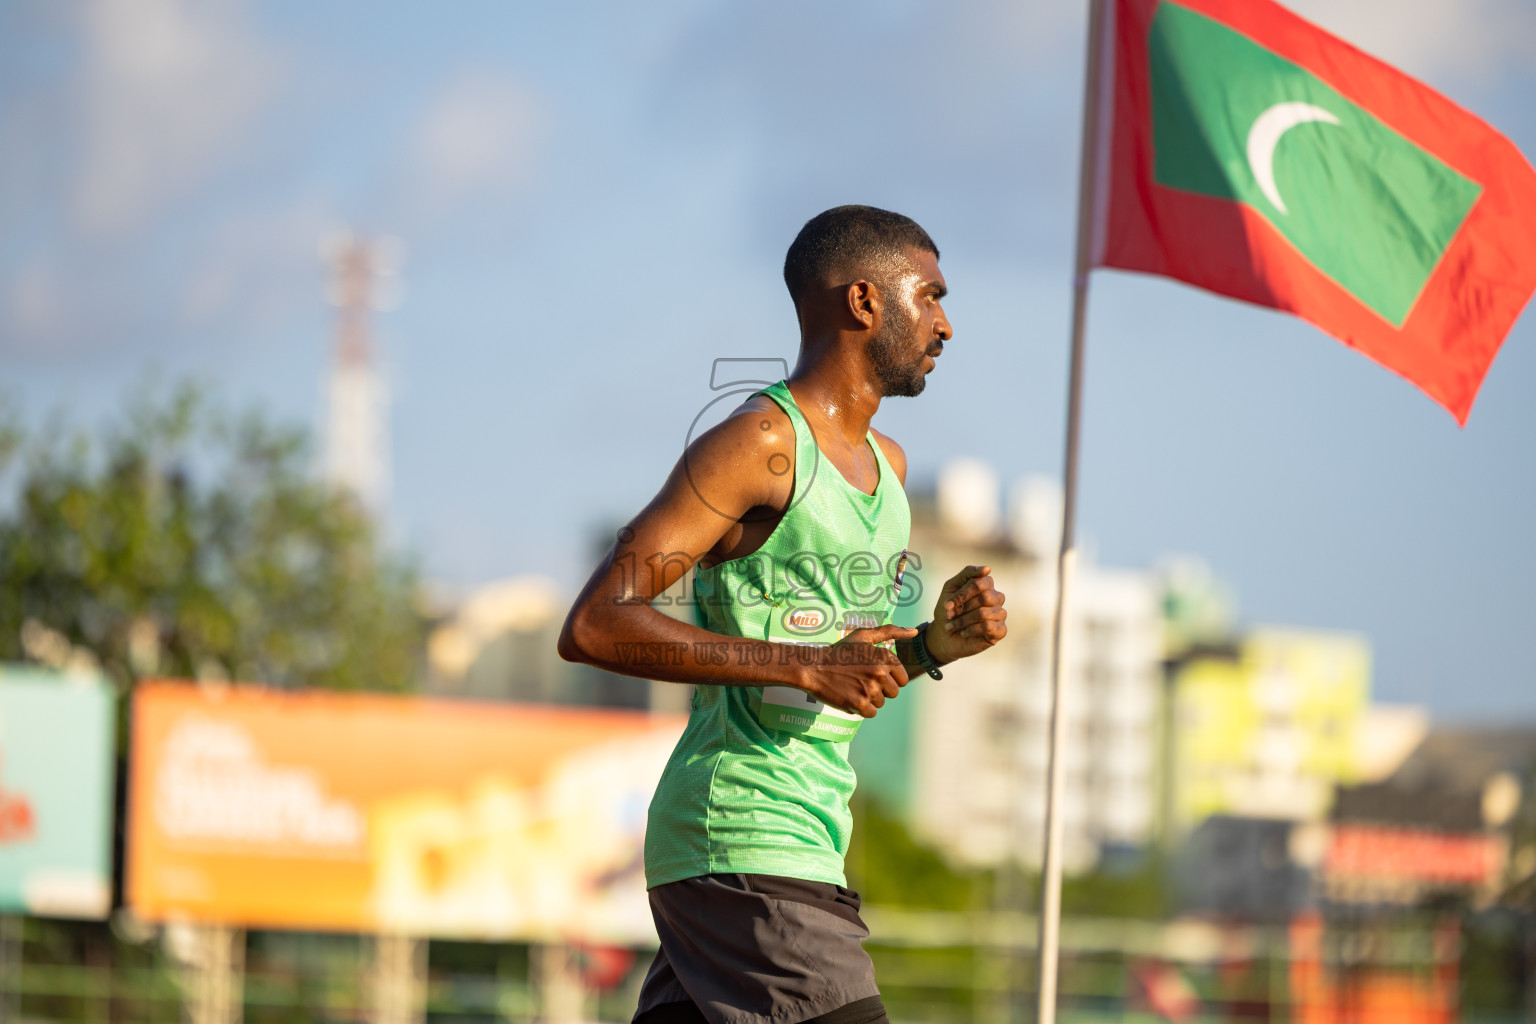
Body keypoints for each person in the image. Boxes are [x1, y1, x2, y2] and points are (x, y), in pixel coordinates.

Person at [558, 205, 1009, 1024]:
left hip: (801, 840)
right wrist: (803, 664)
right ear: (866, 302)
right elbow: (595, 622)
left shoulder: (889, 471)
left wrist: (935, 644)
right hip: (742, 835)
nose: (946, 326)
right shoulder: (760, 445)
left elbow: (838, 673)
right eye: (931, 297)